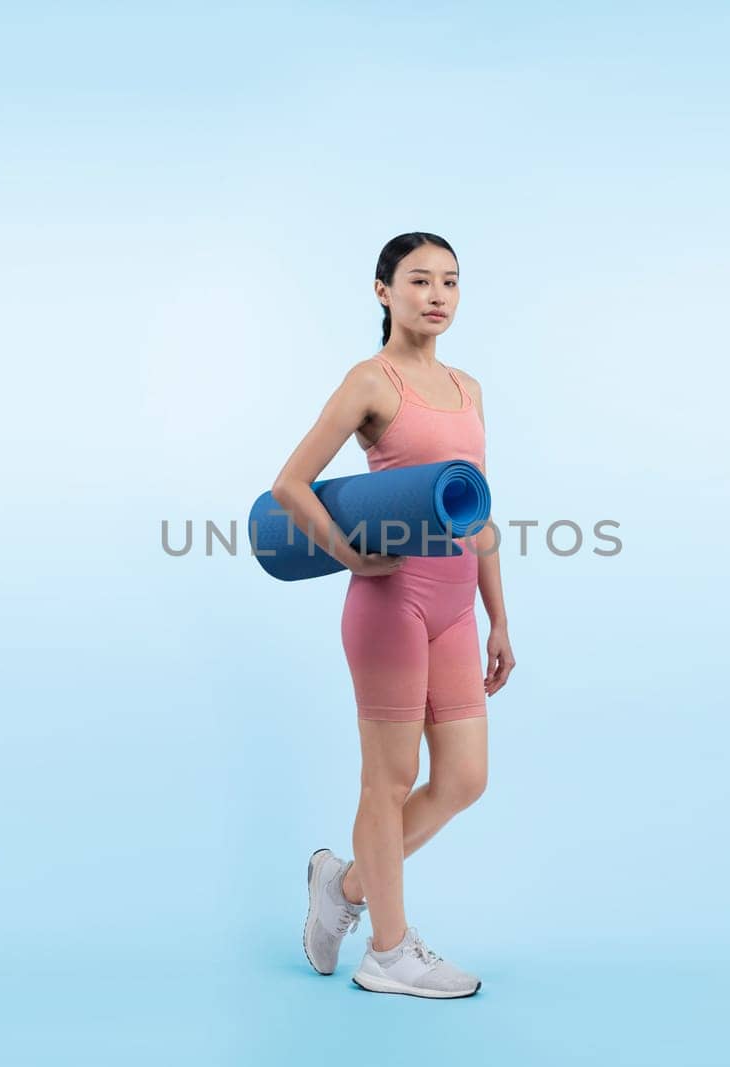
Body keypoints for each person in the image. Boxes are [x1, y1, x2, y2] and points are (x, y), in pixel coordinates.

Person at [270, 232, 516, 998]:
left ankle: (342, 888)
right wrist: (350, 557)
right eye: (419, 280)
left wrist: (498, 617)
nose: (437, 294)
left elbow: (476, 512)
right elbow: (289, 485)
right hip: (391, 600)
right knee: (390, 776)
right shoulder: (370, 383)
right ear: (384, 291)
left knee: (465, 777)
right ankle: (388, 949)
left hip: (454, 607)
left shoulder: (469, 388)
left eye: (450, 281)